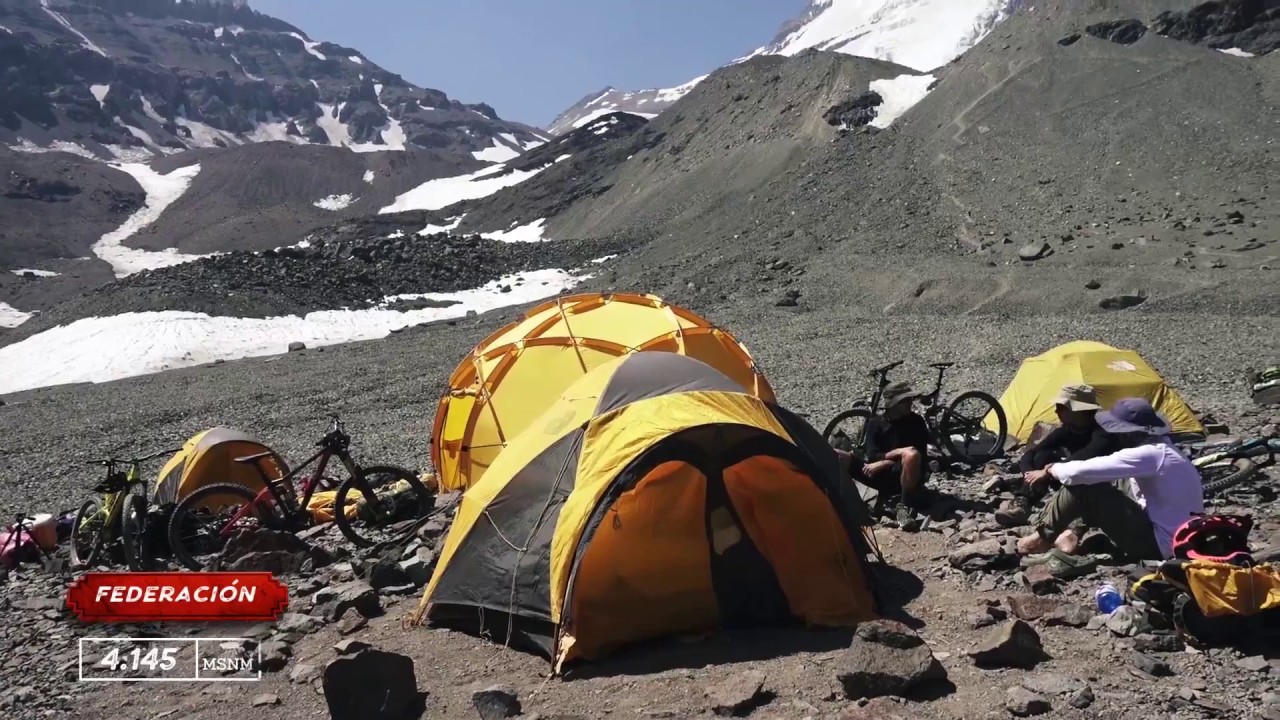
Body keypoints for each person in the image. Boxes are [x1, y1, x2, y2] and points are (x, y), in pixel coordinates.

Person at [1016, 397, 1204, 560]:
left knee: (1086, 486)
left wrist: (1050, 470)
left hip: (1160, 544)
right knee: (1107, 481)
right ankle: (1072, 532)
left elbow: (1078, 473)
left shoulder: (1147, 454)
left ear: (1129, 432)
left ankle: (1043, 537)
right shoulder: (1163, 449)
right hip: (1179, 538)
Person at [995, 384, 1121, 526]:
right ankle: (1023, 502)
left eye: (1061, 408)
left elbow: (1086, 457)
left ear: (1077, 410)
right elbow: (1031, 453)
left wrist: (1046, 471)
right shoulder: (1067, 430)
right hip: (1069, 476)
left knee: (1053, 462)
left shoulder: (1102, 432)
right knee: (1043, 455)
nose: (1056, 411)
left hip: (1100, 484)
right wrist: (1030, 474)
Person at [848, 381, 933, 514]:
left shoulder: (916, 422)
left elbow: (919, 456)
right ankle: (841, 503)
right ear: (893, 404)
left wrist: (886, 461)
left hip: (906, 476)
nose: (910, 402)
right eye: (905, 400)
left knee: (911, 455)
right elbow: (872, 456)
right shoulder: (875, 423)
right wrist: (897, 453)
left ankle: (904, 507)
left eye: (910, 399)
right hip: (878, 474)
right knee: (840, 455)